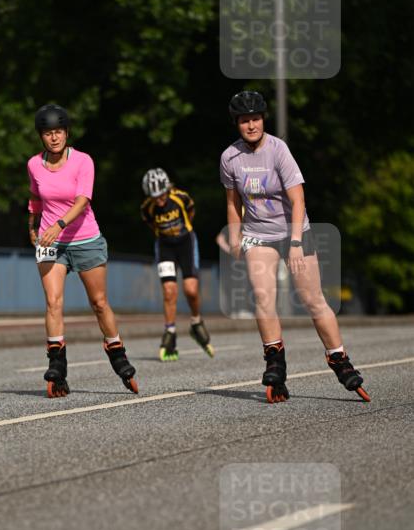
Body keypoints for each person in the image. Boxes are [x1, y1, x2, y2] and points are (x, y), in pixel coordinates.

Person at [220, 90, 370, 403]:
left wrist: (297, 242)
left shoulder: (278, 150)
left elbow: (297, 198)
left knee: (312, 298)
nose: (251, 125)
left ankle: (338, 358)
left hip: (293, 231)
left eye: (256, 118)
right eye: (245, 120)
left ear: (263, 119)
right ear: (237, 123)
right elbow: (233, 201)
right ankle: (275, 363)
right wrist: (235, 235)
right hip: (258, 233)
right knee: (263, 296)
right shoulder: (229, 157)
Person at [28, 104, 138, 397]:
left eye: (59, 132)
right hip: (51, 244)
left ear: (67, 133)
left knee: (99, 302)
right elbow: (36, 198)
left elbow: (82, 201)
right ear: (41, 135)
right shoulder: (33, 164)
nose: (54, 138)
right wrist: (32, 224)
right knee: (53, 302)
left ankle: (117, 352)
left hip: (85, 239)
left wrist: (59, 224)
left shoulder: (83, 161)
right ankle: (57, 366)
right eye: (48, 133)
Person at [140, 168, 214, 361]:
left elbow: (191, 213)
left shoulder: (181, 198)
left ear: (168, 188)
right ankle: (170, 331)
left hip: (185, 243)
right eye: (154, 196)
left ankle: (197, 322)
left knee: (190, 289)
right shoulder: (147, 208)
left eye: (162, 194)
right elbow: (150, 224)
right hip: (165, 246)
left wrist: (180, 231)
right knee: (169, 290)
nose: (159, 200)